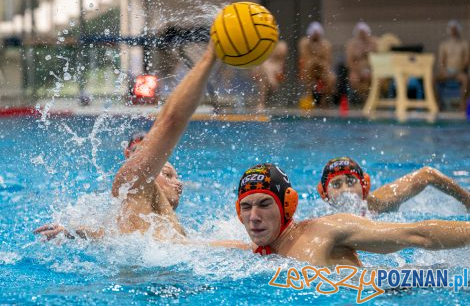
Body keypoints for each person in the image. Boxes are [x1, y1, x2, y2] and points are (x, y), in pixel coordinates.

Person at [35, 43, 218, 241]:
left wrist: (76, 233)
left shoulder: (159, 225)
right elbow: (171, 121)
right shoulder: (132, 182)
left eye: (175, 176)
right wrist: (211, 57)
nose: (178, 183)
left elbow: (113, 237)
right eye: (167, 174)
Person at [236, 163, 470, 266]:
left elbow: (417, 235)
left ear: (288, 205)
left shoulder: (327, 229)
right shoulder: (257, 250)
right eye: (246, 207)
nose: (254, 216)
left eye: (265, 204)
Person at [316, 157, 470, 214]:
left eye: (351, 182)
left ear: (364, 186)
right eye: (336, 184)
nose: (346, 190)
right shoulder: (320, 221)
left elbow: (428, 174)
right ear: (325, 195)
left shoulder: (382, 202)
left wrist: (467, 200)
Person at [298, 21, 336, 107]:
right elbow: (306, 60)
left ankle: (324, 99)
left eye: (317, 36)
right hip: (309, 70)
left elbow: (327, 63)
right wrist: (317, 58)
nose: (315, 38)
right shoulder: (304, 43)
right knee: (309, 67)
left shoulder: (326, 45)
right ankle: (309, 97)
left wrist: (317, 59)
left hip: (322, 70)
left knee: (332, 78)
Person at [437, 20, 469, 110]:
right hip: (447, 72)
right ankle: (438, 103)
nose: (453, 31)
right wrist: (444, 71)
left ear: (459, 30)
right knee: (432, 80)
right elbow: (441, 61)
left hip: (459, 72)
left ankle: (462, 103)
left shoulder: (464, 44)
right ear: (449, 31)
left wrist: (459, 71)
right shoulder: (444, 45)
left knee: (466, 80)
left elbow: (466, 61)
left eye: (455, 29)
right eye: (452, 29)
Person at [345, 21, 378, 103]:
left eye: (364, 33)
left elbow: (378, 59)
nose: (362, 36)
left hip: (372, 68)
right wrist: (359, 71)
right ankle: (364, 97)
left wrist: (369, 70)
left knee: (377, 79)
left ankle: (372, 98)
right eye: (360, 33)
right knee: (354, 79)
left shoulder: (374, 43)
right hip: (356, 70)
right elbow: (349, 62)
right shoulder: (351, 44)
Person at [252, 40, 288, 110]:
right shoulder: (262, 44)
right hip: (265, 74)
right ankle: (262, 103)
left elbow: (281, 55)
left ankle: (261, 103)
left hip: (277, 74)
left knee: (264, 69)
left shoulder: (281, 45)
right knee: (263, 73)